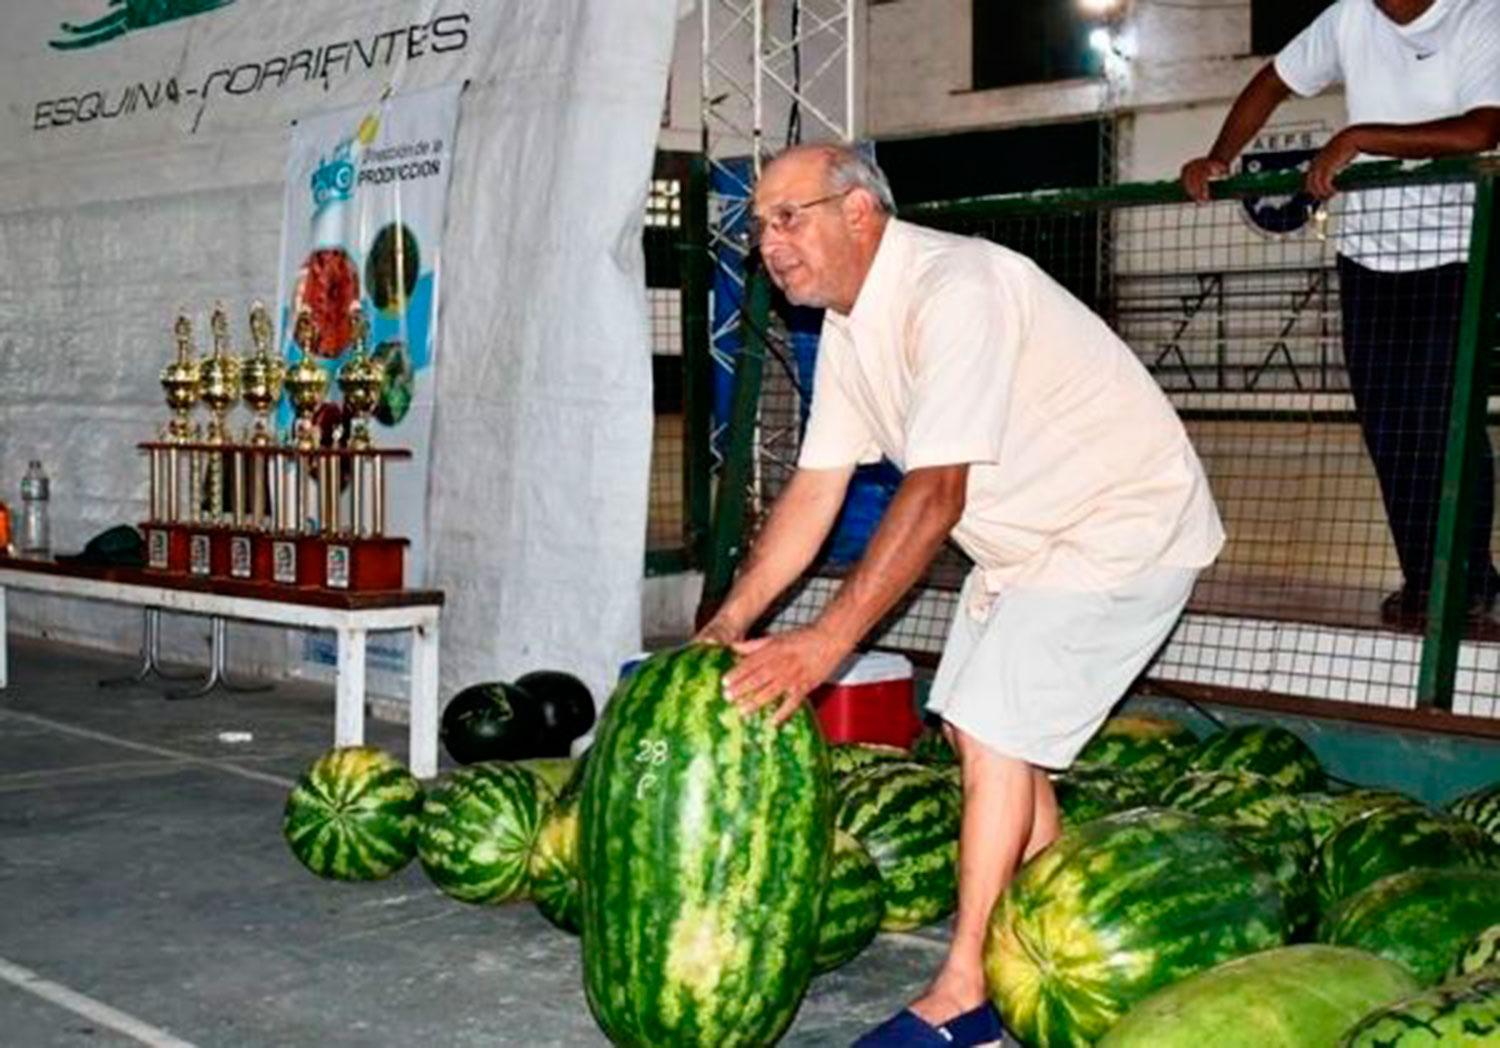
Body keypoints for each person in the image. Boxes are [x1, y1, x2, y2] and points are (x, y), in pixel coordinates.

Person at [696, 142, 1224, 1047]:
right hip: (1033, 544)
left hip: (1121, 525)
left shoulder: (957, 287)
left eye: (789, 217)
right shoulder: (853, 329)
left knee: (993, 733)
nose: (769, 244)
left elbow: (936, 493)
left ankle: (966, 991)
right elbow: (816, 490)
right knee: (978, 731)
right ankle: (1075, 938)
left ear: (859, 211)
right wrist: (730, 619)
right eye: (758, 228)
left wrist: (825, 643)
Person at [1181, 0, 1500, 623]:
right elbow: (1273, 80)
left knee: (1445, 426)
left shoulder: (1478, 15)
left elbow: (1483, 129)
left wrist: (1358, 138)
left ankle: (1471, 582)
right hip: (1367, 262)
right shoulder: (1350, 16)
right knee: (1390, 432)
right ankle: (1421, 581)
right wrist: (1220, 155)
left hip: (1456, 257)